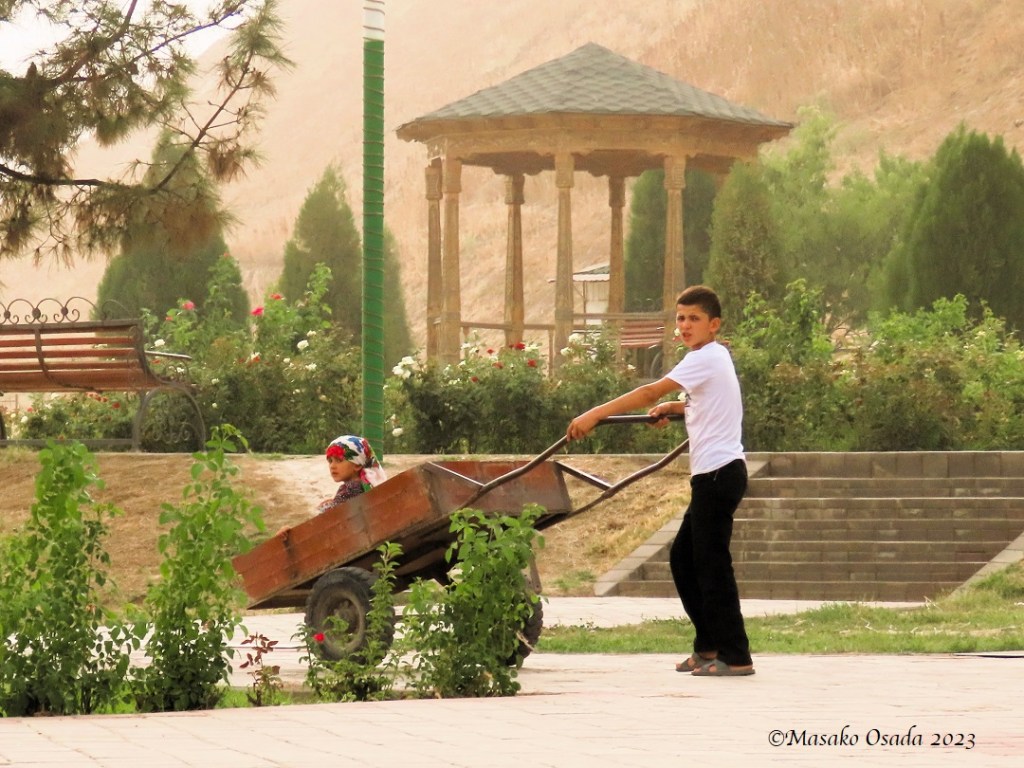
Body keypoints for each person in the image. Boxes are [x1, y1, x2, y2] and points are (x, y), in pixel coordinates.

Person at [566, 284, 753, 676]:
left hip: (719, 474)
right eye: (680, 318)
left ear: (713, 324)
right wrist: (677, 407)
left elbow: (649, 389)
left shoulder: (705, 358)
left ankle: (735, 655)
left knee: (712, 565)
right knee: (684, 559)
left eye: (694, 319)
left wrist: (595, 414)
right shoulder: (711, 359)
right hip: (713, 475)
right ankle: (708, 647)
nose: (685, 326)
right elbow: (706, 401)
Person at [316, 434, 388, 513]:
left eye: (339, 460)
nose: (332, 466)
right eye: (330, 461)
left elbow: (335, 516)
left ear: (357, 465)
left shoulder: (350, 489)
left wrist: (324, 509)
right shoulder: (366, 485)